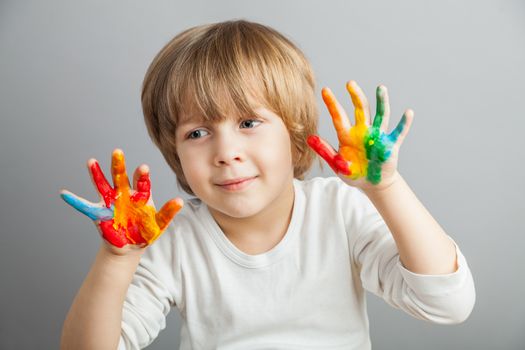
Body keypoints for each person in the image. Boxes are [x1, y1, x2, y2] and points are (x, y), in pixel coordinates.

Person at [59, 19, 475, 350]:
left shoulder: (339, 210)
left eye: (248, 123)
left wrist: (385, 188)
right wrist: (117, 260)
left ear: (294, 135)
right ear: (176, 153)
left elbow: (447, 305)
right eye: (197, 133)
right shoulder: (173, 240)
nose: (226, 151)